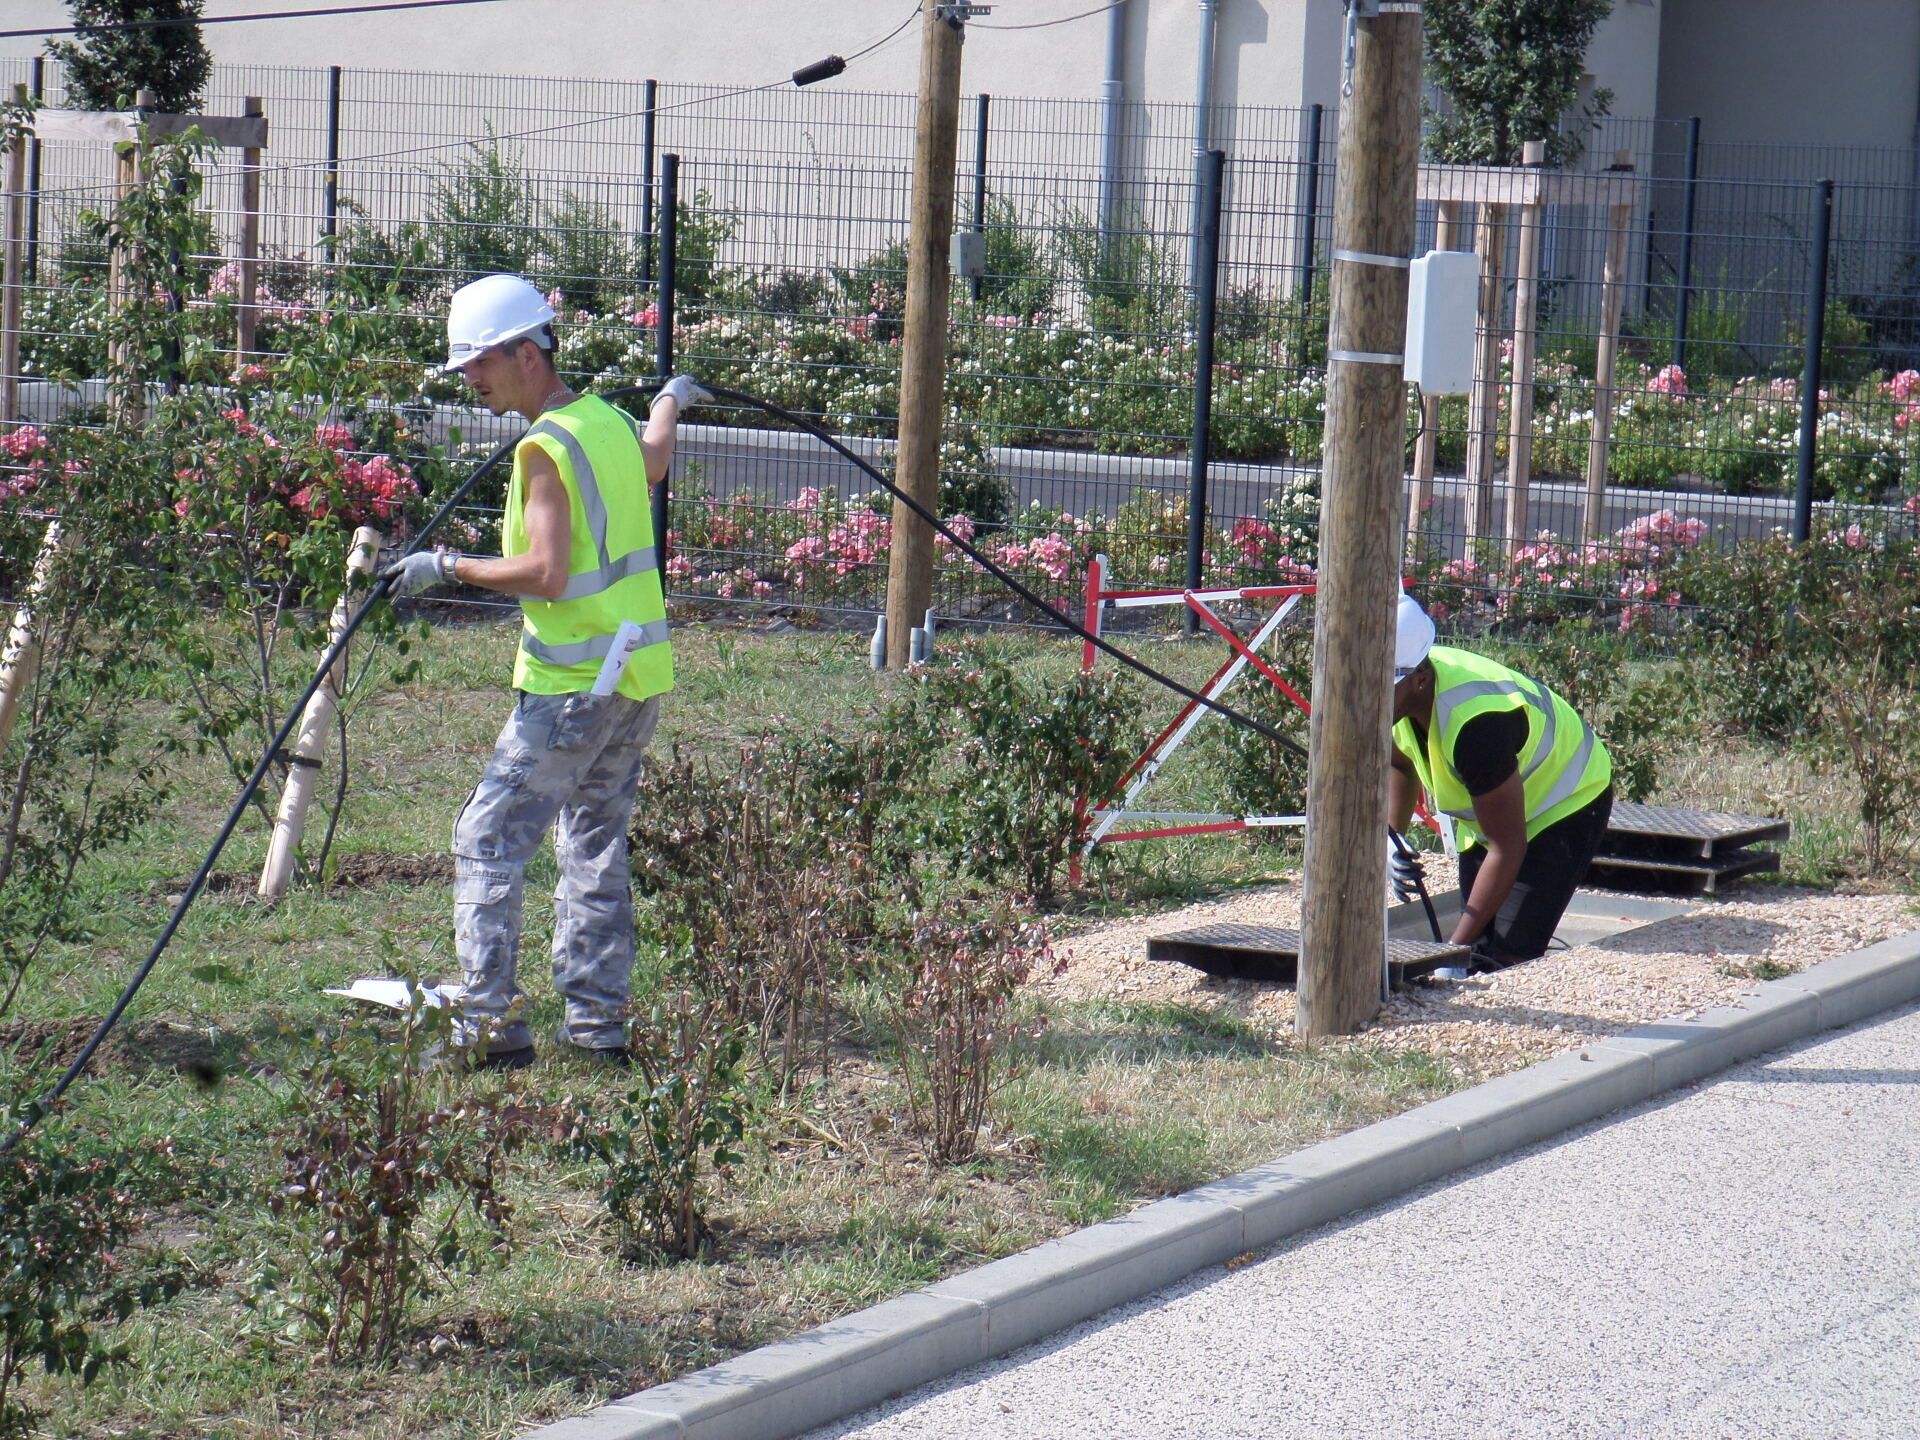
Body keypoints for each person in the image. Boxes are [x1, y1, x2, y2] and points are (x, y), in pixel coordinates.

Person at [383, 272, 710, 1067]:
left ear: (527, 354)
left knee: (487, 837)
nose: (469, 380)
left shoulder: (542, 448)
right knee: (595, 845)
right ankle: (599, 1030)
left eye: (479, 363)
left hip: (569, 688)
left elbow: (546, 573)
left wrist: (446, 564)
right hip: (634, 682)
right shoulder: (600, 420)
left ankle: (491, 1029)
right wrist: (671, 397)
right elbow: (654, 461)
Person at [1387, 592, 1614, 976]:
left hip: (1564, 803)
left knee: (1507, 959)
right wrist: (1392, 839)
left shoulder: (1478, 725)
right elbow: (1400, 764)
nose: (1364, 697)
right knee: (1479, 940)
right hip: (1493, 814)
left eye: (1380, 685)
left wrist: (1453, 953)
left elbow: (1507, 845)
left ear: (1419, 680)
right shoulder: (1401, 696)